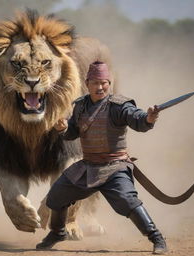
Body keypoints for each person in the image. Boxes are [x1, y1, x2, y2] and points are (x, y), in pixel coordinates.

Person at [36, 61, 167, 254]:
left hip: (114, 167)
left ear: (109, 83)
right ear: (87, 83)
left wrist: (148, 118)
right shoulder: (80, 106)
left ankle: (157, 238)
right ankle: (58, 232)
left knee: (127, 200)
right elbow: (72, 132)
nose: (100, 87)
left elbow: (138, 120)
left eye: (104, 83)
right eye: (95, 83)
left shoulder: (120, 106)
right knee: (56, 196)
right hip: (88, 167)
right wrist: (63, 128)